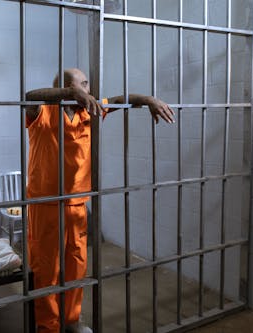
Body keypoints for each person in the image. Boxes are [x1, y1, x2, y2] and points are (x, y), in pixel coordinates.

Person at [25, 68, 175, 333]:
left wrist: (149, 99)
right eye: (82, 84)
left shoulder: (90, 111)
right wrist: (70, 94)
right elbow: (29, 95)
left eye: (87, 84)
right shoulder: (42, 112)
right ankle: (47, 326)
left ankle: (71, 321)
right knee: (46, 268)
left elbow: (119, 100)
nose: (88, 89)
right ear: (66, 87)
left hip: (77, 203)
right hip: (45, 203)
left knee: (76, 264)